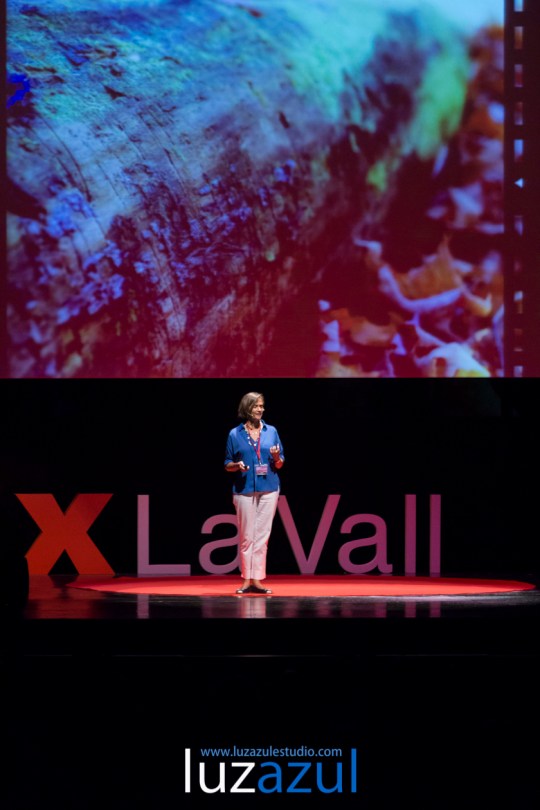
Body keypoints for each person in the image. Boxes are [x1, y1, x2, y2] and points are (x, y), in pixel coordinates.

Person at [224, 392, 284, 594]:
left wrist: (276, 456)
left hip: (269, 487)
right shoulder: (235, 434)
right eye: (257, 406)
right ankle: (245, 579)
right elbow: (227, 464)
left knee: (262, 536)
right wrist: (237, 465)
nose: (261, 409)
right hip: (244, 489)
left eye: (262, 406)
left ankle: (257, 579)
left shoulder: (271, 431)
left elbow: (280, 463)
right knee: (247, 536)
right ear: (247, 408)